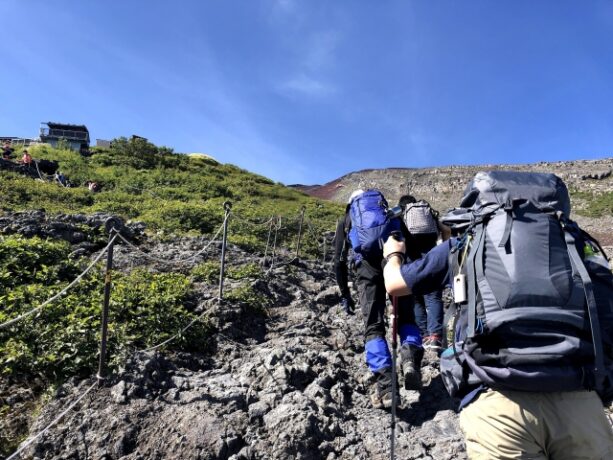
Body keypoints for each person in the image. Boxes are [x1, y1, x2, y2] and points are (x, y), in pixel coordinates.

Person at [382, 172, 613, 459]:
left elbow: (394, 284)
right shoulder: (580, 243)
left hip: (496, 400)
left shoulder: (466, 242)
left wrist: (394, 254)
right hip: (579, 401)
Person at [334, 189, 424, 409]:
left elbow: (338, 260)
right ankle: (410, 356)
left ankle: (386, 387)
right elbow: (411, 245)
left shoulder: (346, 219)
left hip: (365, 270)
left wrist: (345, 294)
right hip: (394, 261)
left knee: (373, 327)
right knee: (407, 318)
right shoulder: (388, 213)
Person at [399, 195, 445, 351]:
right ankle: (436, 336)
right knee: (433, 296)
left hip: (412, 260)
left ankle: (424, 334)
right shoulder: (427, 212)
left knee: (416, 298)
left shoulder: (402, 215)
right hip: (432, 256)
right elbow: (443, 230)